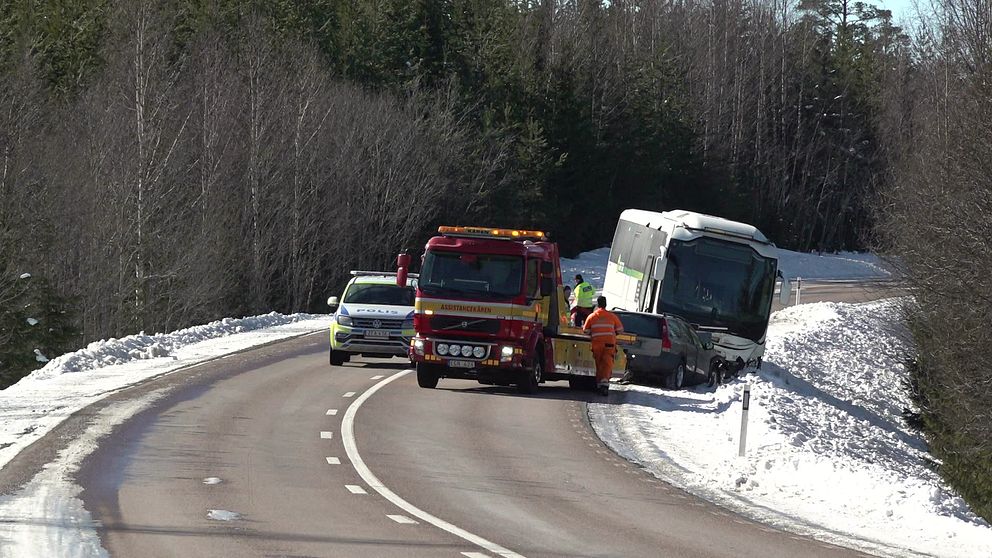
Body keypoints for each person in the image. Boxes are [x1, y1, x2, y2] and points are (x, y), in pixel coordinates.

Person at [582, 296, 624, 396]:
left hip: (597, 344)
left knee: (599, 364)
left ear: (597, 304)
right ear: (606, 304)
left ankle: (599, 384)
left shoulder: (592, 316)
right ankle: (604, 384)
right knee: (607, 363)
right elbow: (620, 330)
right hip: (609, 344)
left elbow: (585, 330)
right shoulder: (612, 316)